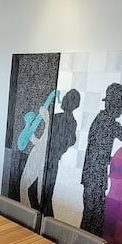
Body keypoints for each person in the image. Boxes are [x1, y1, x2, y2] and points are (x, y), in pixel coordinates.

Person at [80, 83, 122, 235]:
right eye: (120, 106)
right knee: (93, 219)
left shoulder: (101, 119)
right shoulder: (107, 123)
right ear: (113, 106)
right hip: (95, 177)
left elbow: (98, 151)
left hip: (92, 177)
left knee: (92, 218)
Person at [41, 89, 81, 217]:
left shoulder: (66, 120)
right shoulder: (60, 118)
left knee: (46, 195)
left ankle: (47, 223)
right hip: (48, 158)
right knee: (43, 194)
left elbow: (71, 140)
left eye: (67, 98)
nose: (64, 100)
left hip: (52, 160)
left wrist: (57, 151)